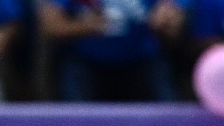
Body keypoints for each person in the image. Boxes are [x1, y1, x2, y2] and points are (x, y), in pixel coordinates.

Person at [40, 0, 187, 101]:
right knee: (75, 119)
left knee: (168, 114)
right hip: (85, 59)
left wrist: (166, 22)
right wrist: (87, 26)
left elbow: (175, 28)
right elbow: (51, 26)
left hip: (142, 58)